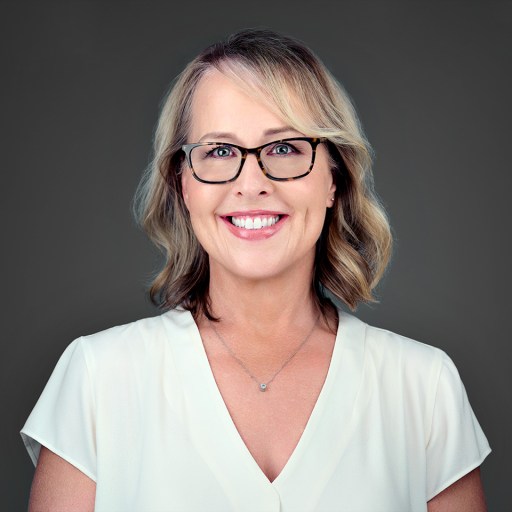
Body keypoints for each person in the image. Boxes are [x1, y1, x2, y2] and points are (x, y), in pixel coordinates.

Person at [21, 29, 491, 511]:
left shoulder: (424, 388)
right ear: (183, 185)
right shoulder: (97, 378)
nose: (251, 184)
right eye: (220, 151)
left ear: (334, 177)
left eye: (284, 147)